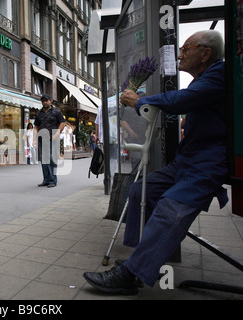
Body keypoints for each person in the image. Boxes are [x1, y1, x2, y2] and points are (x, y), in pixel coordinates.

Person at [83, 30, 228, 294]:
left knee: (170, 209)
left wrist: (140, 100)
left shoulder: (220, 73)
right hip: (187, 161)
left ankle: (129, 274)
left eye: (186, 49)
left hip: (206, 164)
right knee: (140, 190)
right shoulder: (204, 79)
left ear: (205, 53)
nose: (181, 54)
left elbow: (180, 100)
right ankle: (141, 258)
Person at [33, 94, 66, 188]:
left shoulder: (56, 111)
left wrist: (57, 134)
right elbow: (36, 126)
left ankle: (53, 180)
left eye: (46, 100)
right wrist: (34, 139)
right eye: (43, 101)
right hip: (41, 139)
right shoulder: (39, 113)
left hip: (52, 139)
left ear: (50, 100)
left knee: (51, 159)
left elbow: (62, 123)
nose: (44, 102)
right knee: (44, 161)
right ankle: (46, 180)